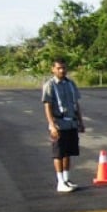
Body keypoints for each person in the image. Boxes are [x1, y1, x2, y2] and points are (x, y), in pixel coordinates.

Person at [42, 58, 85, 192]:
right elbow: (47, 106)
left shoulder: (70, 84)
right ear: (53, 69)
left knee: (68, 153)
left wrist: (80, 121)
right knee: (58, 154)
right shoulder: (50, 85)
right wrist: (52, 125)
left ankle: (67, 179)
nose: (62, 70)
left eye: (64, 68)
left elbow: (76, 104)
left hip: (71, 122)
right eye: (59, 68)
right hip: (59, 123)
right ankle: (60, 182)